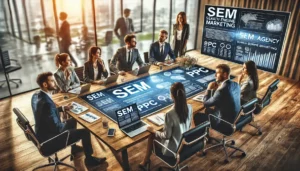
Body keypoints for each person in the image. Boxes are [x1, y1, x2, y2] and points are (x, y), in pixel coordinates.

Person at [34, 72, 106, 166]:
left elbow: (47, 112)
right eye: (52, 81)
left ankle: (74, 148)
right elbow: (58, 128)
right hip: (51, 140)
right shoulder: (47, 103)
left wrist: (63, 108)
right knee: (85, 131)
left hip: (43, 133)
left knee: (73, 120)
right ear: (45, 84)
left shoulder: (37, 96)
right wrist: (65, 123)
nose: (55, 82)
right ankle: (90, 160)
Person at [139, 82, 192, 169]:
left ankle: (145, 160)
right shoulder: (189, 107)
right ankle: (145, 160)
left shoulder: (170, 114)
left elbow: (166, 136)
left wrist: (154, 131)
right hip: (184, 145)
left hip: (172, 150)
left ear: (172, 95)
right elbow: (189, 126)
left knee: (152, 136)